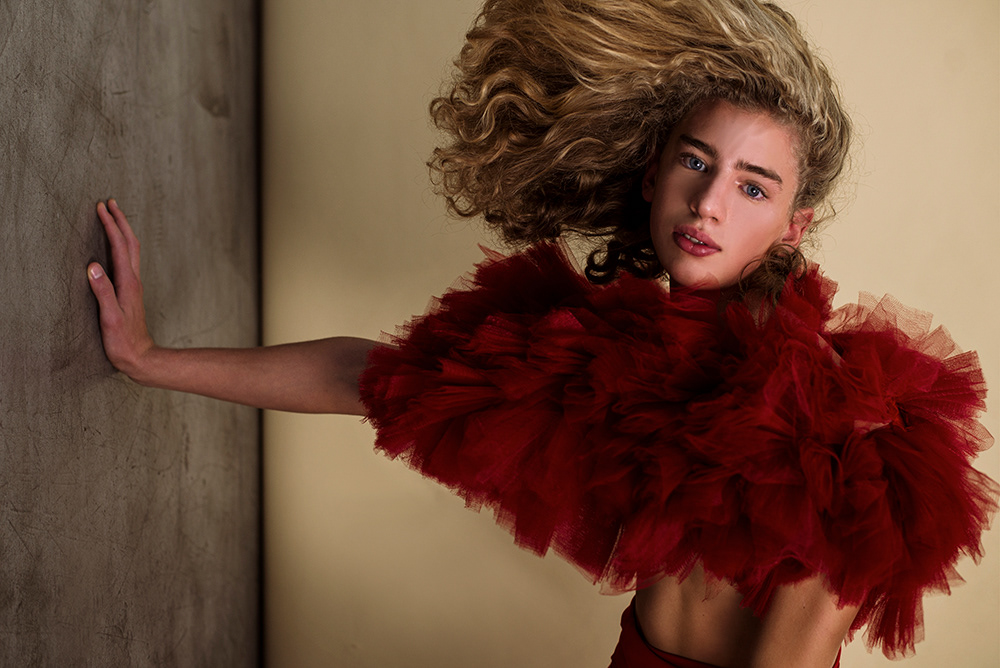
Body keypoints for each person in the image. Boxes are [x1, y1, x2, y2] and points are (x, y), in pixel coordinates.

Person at [87, 1, 996, 666]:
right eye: (696, 162)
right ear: (653, 175)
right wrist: (150, 359)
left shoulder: (852, 420)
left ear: (793, 230)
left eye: (753, 187)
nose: (709, 204)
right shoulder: (614, 359)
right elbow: (373, 378)